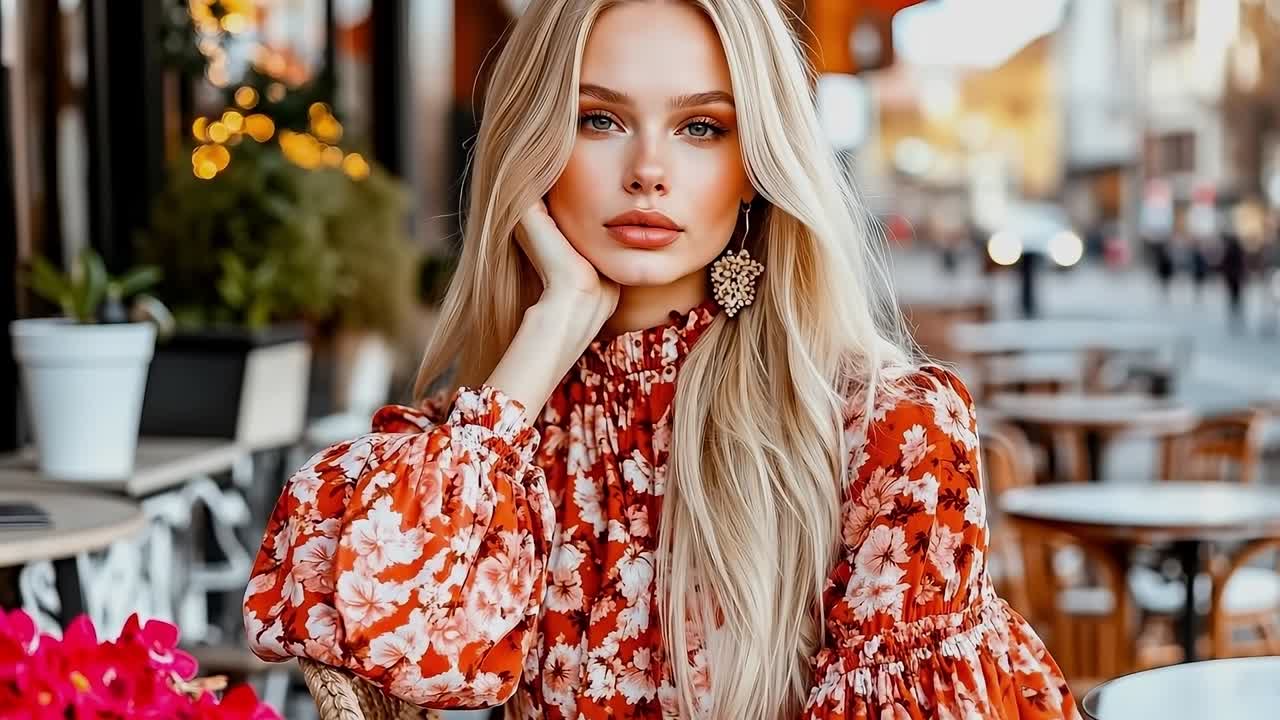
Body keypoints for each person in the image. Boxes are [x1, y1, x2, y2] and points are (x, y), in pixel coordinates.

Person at [242, 1, 1076, 718]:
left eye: (701, 127)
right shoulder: (494, 449)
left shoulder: (888, 430)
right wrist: (550, 330)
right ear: (534, 147)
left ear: (754, 168)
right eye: (598, 120)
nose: (647, 171)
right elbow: (387, 637)